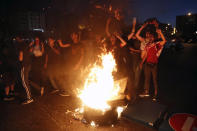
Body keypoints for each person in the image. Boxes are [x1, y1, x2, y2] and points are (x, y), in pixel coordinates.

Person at [137, 24, 166, 101]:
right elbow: (145, 55)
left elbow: (164, 41)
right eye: (149, 37)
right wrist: (141, 63)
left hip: (154, 65)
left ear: (154, 38)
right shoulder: (147, 45)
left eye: (152, 37)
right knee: (147, 79)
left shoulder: (157, 44)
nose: (150, 38)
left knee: (154, 79)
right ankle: (146, 92)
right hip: (147, 64)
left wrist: (160, 32)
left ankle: (156, 93)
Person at [15, 36, 33, 104]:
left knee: (24, 82)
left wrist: (18, 59)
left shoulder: (20, 46)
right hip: (28, 64)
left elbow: (20, 58)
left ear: (18, 38)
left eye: (16, 38)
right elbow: (30, 51)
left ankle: (29, 98)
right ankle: (29, 96)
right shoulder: (26, 44)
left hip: (24, 65)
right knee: (26, 81)